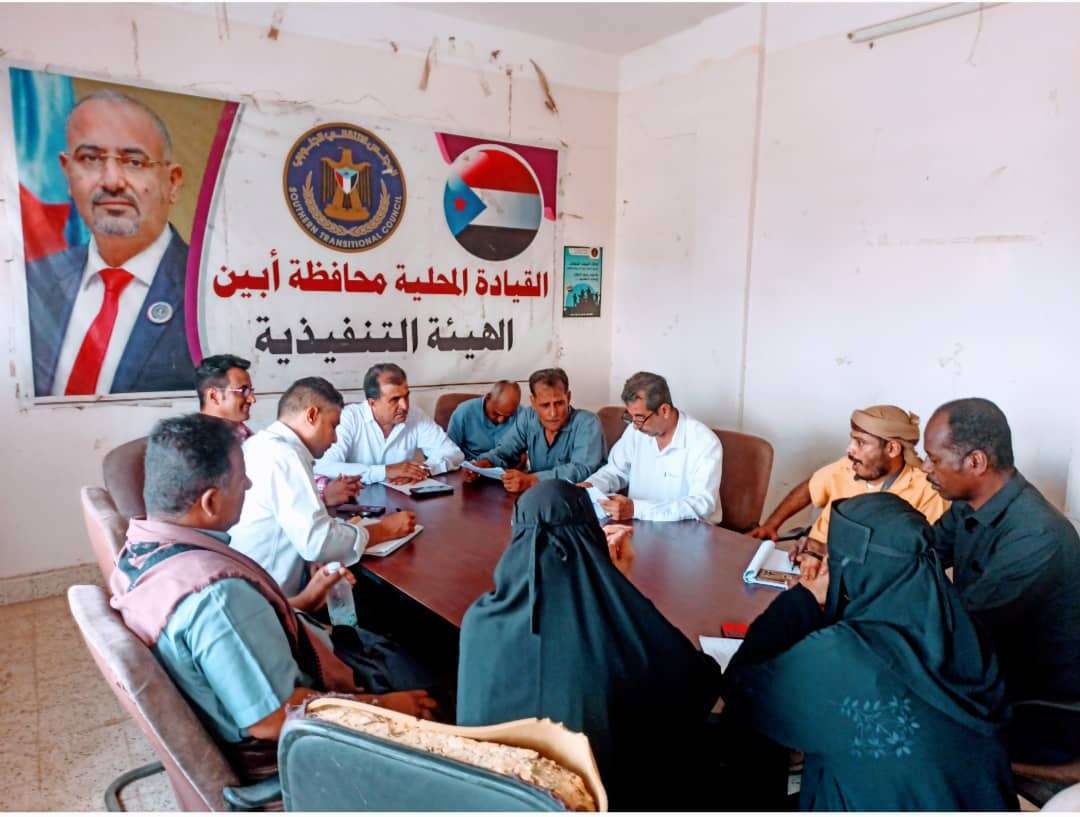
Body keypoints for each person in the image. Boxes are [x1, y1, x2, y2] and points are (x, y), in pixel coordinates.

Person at [110, 414, 435, 782]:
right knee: (433, 670)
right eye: (241, 479)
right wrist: (384, 706)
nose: (249, 484)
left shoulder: (140, 552)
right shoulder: (217, 598)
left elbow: (222, 645)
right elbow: (273, 719)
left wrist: (301, 602)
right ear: (210, 502)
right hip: (302, 746)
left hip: (296, 659)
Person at [723, 492, 1015, 810]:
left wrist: (802, 599)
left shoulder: (844, 653)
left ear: (851, 569)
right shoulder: (961, 625)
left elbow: (743, 689)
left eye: (833, 557)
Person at [457, 481, 723, 810]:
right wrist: (618, 586)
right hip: (599, 800)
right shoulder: (618, 626)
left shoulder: (479, 621)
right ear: (592, 535)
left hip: (494, 799)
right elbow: (697, 684)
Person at [922, 398, 1080, 764]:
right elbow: (924, 552)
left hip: (1042, 703)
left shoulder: (1035, 536)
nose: (927, 468)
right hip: (991, 662)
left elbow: (962, 631)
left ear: (976, 462)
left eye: (934, 459)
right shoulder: (968, 502)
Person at [26, 89, 194, 396]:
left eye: (134, 162)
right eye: (90, 159)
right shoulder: (33, 282)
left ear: (171, 182)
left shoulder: (206, 290)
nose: (112, 181)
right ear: (67, 172)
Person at [229, 377, 415, 597]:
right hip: (274, 597)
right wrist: (385, 529)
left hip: (257, 585)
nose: (335, 439)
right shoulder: (285, 456)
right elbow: (318, 542)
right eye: (333, 426)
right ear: (311, 415)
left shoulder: (261, 444)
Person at [750, 404, 948, 546]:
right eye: (852, 440)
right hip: (809, 565)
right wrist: (771, 525)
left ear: (892, 448)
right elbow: (810, 488)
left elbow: (922, 553)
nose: (849, 449)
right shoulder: (848, 466)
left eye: (861, 442)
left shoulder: (926, 491)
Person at [581, 371, 723, 522]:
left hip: (688, 529)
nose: (635, 426)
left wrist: (636, 509)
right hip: (639, 523)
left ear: (664, 410)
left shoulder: (704, 442)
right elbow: (615, 471)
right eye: (630, 417)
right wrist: (589, 486)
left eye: (640, 417)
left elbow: (702, 504)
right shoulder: (636, 432)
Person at [314, 363, 464, 485]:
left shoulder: (415, 415)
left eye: (406, 396)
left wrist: (423, 469)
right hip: (358, 500)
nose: (404, 406)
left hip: (402, 500)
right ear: (372, 403)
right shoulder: (348, 418)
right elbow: (324, 466)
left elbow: (453, 453)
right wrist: (385, 471)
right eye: (395, 400)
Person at [465, 368, 605, 494]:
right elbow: (505, 450)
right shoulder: (528, 416)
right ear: (533, 402)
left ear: (568, 398)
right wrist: (484, 464)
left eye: (559, 403)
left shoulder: (588, 423)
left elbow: (582, 470)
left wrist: (532, 480)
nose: (553, 413)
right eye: (545, 405)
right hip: (538, 497)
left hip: (579, 501)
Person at [446, 380, 523, 460]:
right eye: (496, 413)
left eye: (508, 416)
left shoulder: (521, 415)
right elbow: (450, 449)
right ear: (488, 397)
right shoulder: (464, 412)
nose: (501, 420)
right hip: (472, 464)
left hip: (508, 465)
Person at [195, 354, 256, 440]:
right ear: (214, 396)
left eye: (250, 390)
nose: (252, 399)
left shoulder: (241, 432)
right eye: (243, 391)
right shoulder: (197, 442)